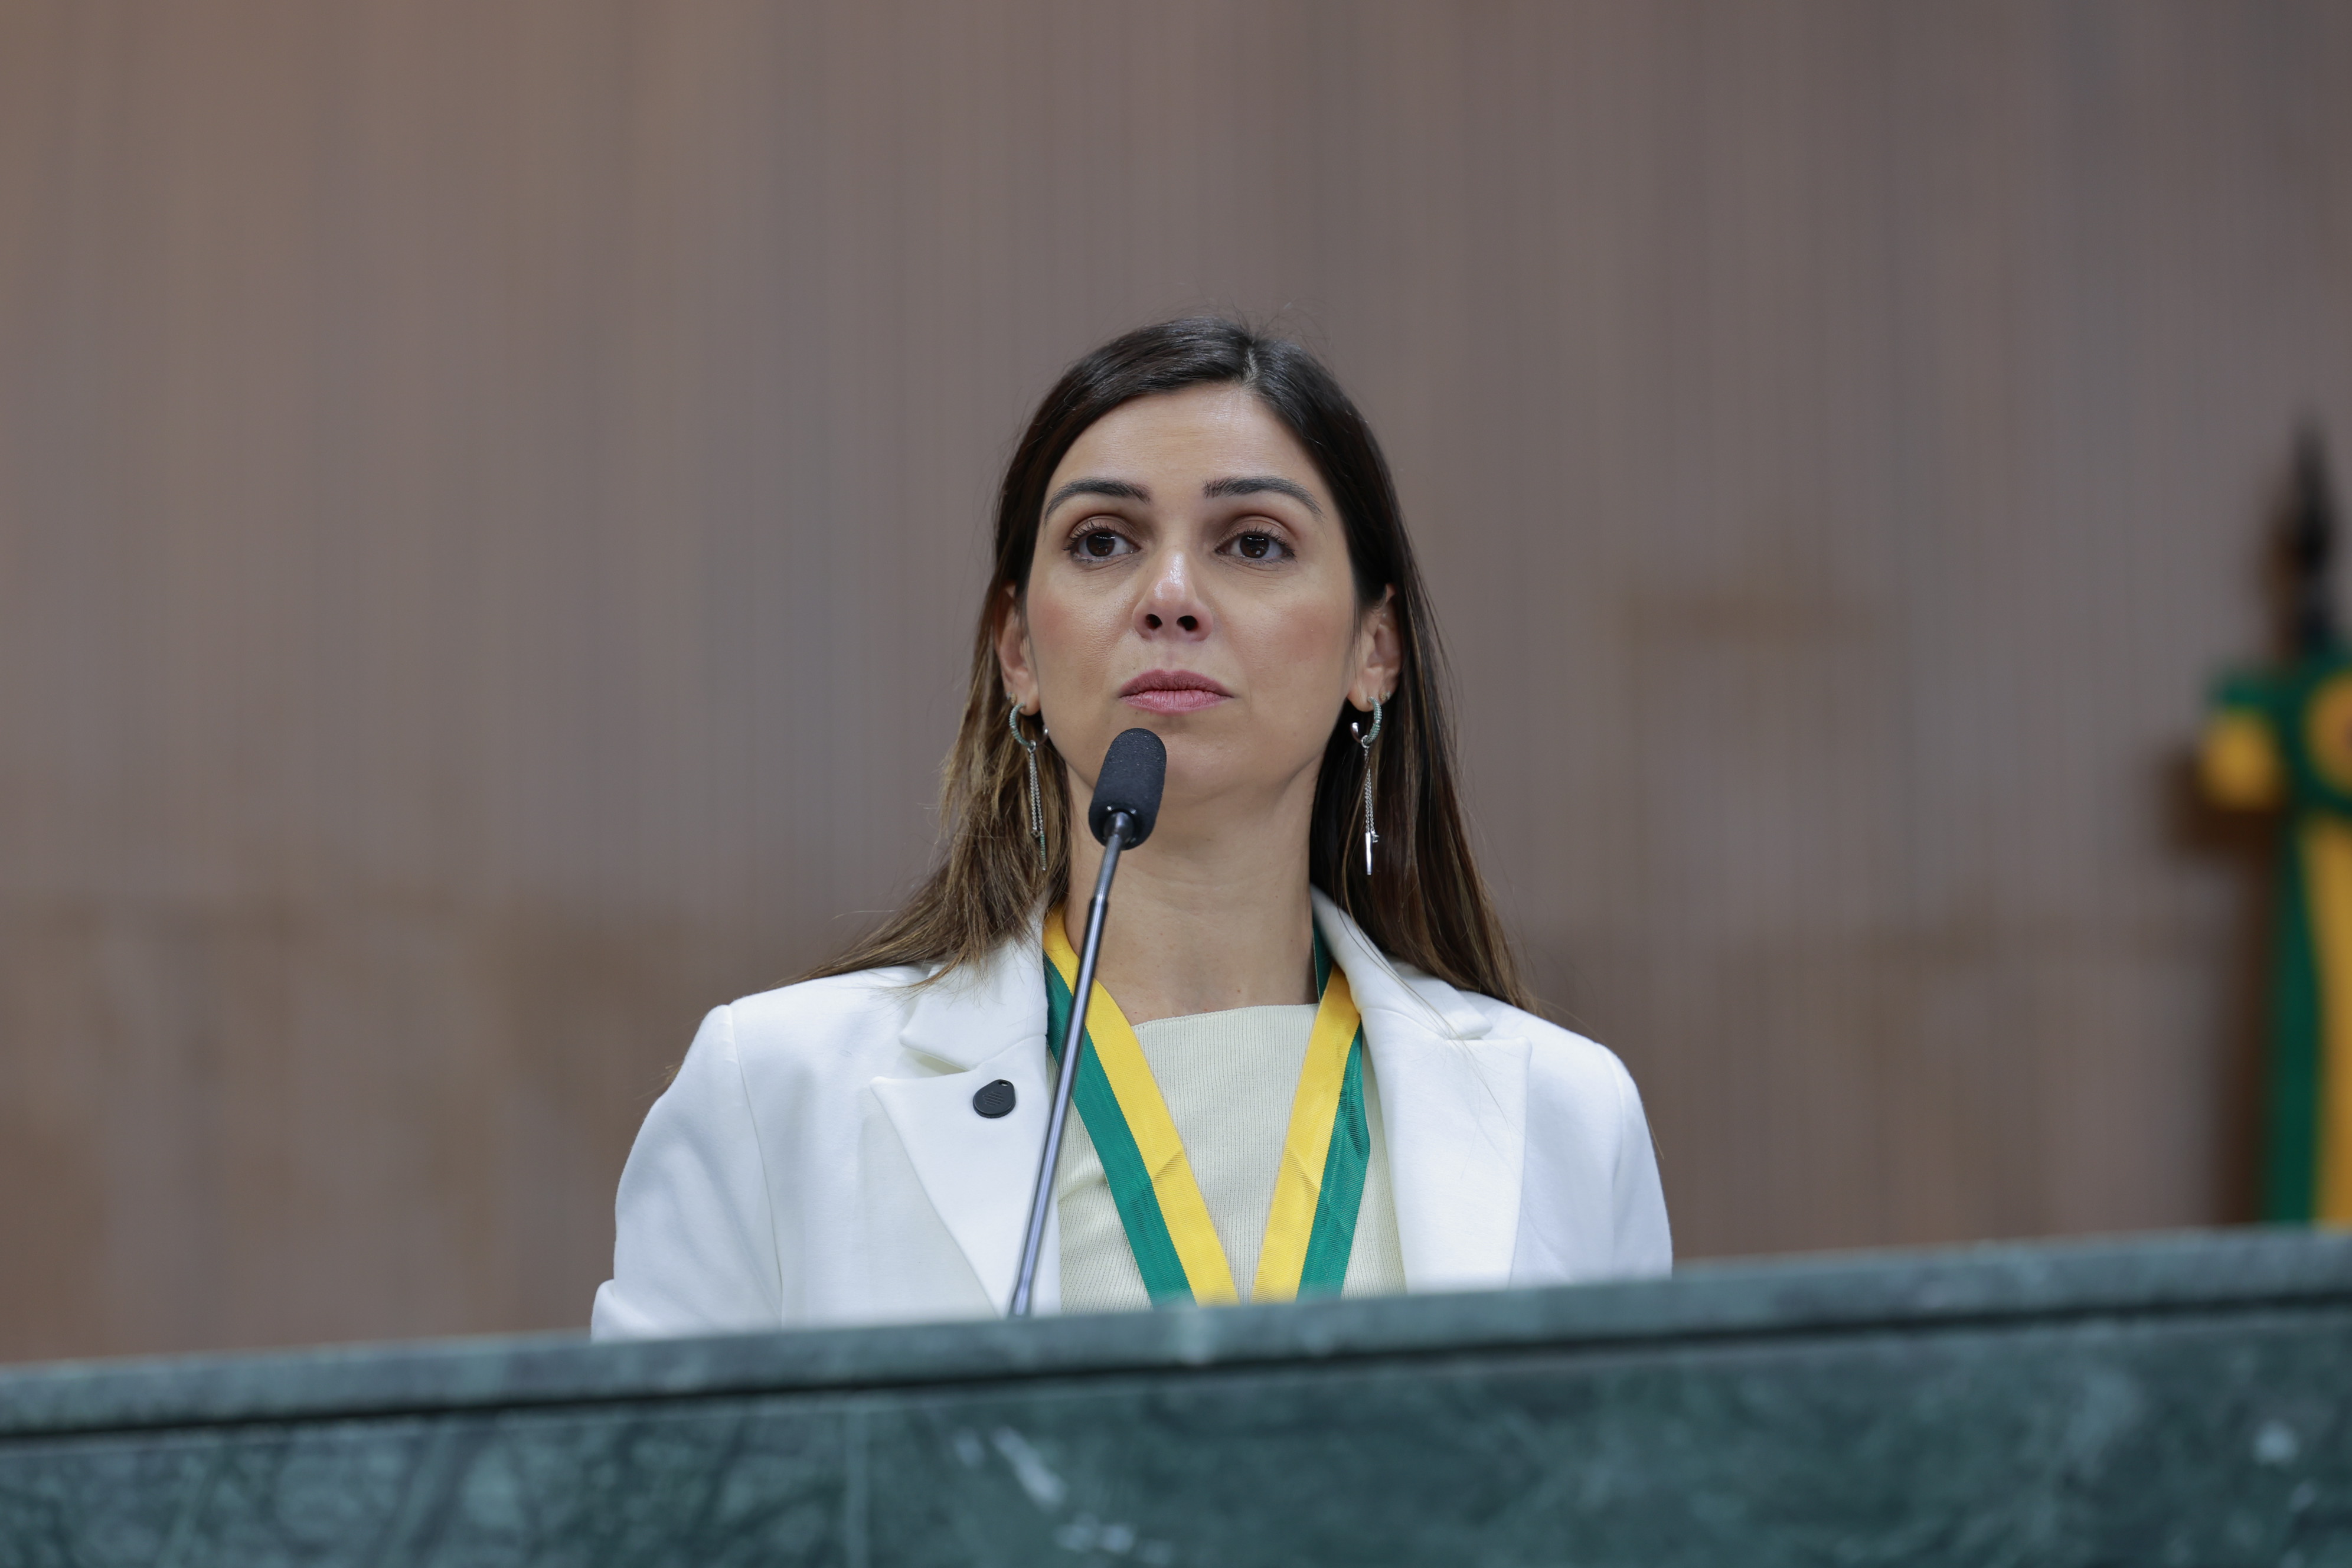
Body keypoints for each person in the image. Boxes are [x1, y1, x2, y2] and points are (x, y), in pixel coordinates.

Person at [591, 319, 1670, 1336]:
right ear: (1019, 650)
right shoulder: (775, 1094)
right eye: (1103, 541)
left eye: (1254, 544)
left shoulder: (1570, 1120)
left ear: (1373, 652)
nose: (1171, 595)